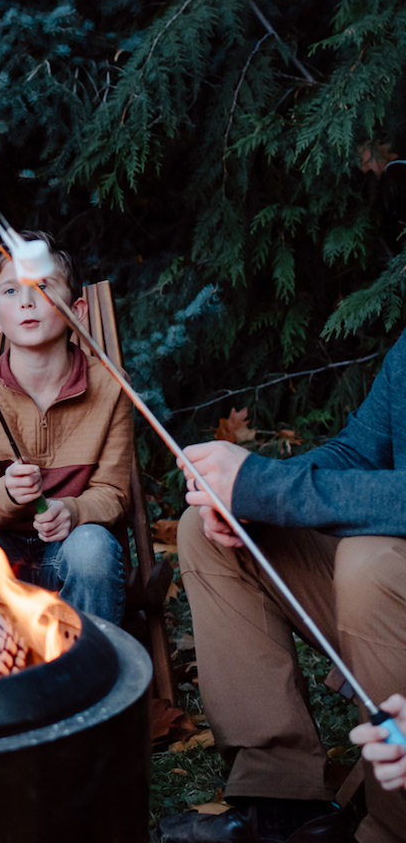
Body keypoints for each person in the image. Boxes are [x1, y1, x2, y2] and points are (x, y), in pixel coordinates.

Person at [161, 334, 406, 843]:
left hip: (385, 583)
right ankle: (279, 803)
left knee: (369, 564)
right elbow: (360, 452)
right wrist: (246, 492)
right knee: (209, 532)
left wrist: (270, 489)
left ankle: (388, 828)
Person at [0, 232, 132, 624]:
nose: (26, 300)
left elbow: (113, 493)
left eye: (42, 286)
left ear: (76, 310)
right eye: (10, 291)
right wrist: (7, 492)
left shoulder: (111, 387)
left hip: (72, 549)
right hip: (3, 550)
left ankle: (88, 677)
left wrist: (73, 511)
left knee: (92, 547)